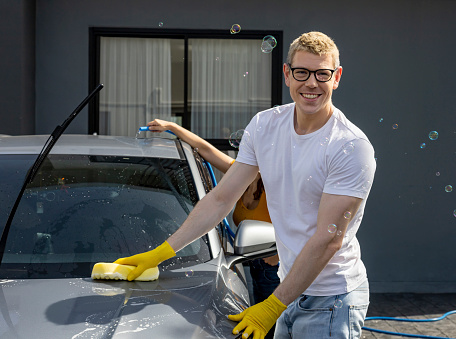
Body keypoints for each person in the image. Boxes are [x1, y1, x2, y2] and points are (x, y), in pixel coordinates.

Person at [115, 31, 376, 339]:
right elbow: (221, 198)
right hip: (289, 289)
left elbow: (329, 238)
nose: (312, 83)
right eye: (302, 72)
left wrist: (271, 306)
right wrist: (161, 252)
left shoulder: (349, 146)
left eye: (323, 74)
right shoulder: (265, 126)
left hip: (332, 299)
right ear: (287, 74)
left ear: (337, 77)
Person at [145, 119, 280, 338]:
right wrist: (172, 127)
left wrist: (278, 251)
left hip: (276, 268)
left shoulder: (281, 184)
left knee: (275, 331)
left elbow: (303, 221)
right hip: (255, 261)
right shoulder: (243, 173)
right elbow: (206, 149)